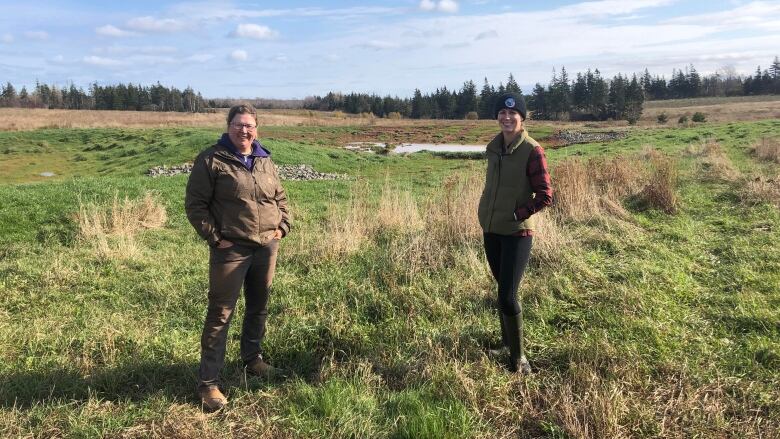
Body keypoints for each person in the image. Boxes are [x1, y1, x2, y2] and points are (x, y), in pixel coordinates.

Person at [185, 103, 291, 411]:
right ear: (228, 126)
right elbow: (196, 205)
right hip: (231, 250)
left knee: (259, 306)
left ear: (256, 128)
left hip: (266, 246)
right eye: (238, 124)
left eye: (249, 125)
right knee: (221, 313)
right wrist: (216, 239)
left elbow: (280, 197)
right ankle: (208, 384)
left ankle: (252, 359)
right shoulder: (211, 159)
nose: (244, 130)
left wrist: (282, 227)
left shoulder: (264, 158)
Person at [477, 92, 553, 373]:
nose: (507, 118)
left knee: (508, 295)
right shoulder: (493, 148)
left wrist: (516, 215)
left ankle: (519, 358)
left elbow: (545, 195)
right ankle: (507, 344)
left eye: (513, 114)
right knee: (501, 291)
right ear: (497, 116)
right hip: (492, 229)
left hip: (517, 233)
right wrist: (485, 212)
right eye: (502, 113)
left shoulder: (533, 150)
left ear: (521, 118)